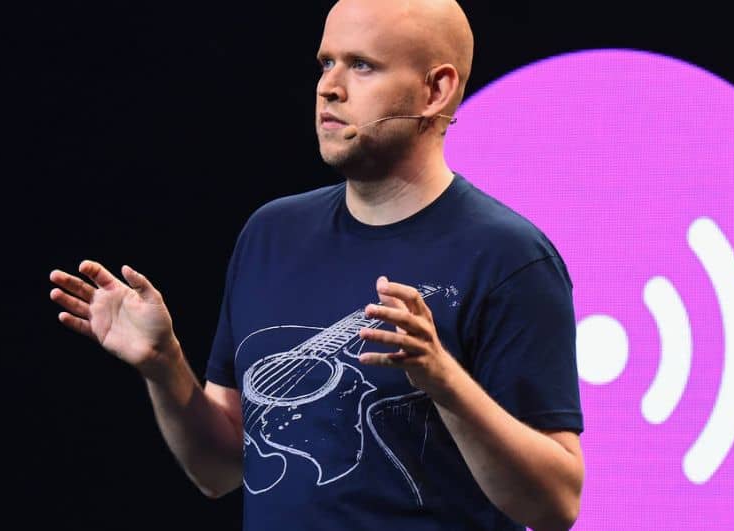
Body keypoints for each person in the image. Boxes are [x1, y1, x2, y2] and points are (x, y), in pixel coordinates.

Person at [48, 0, 584, 529]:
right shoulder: (271, 234)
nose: (329, 87)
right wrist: (163, 364)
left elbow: (555, 506)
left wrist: (445, 381)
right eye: (327, 62)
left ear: (435, 90)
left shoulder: (508, 257)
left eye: (362, 65)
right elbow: (220, 470)